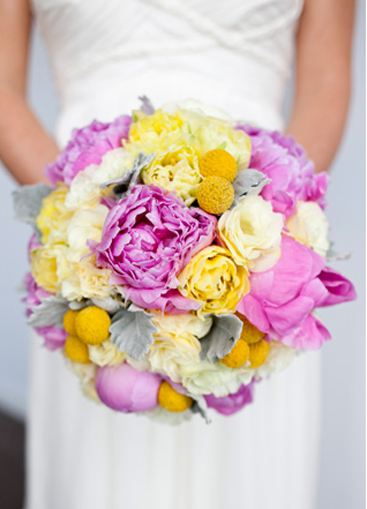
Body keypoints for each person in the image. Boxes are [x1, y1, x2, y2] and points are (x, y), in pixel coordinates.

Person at [0, 1, 355, 508]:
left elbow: (326, 85)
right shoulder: (88, 240)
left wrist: (266, 221)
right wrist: (86, 221)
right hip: (89, 260)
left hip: (256, 274)